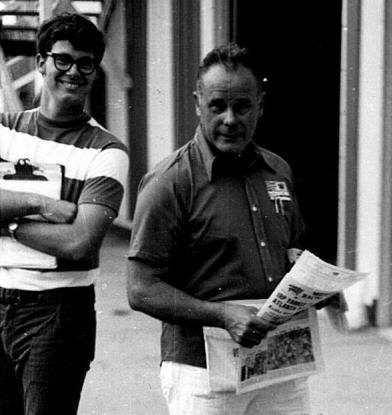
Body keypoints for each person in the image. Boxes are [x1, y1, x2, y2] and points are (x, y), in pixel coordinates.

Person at [127, 43, 312, 414]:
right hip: (203, 373)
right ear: (198, 104)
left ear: (260, 104)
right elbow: (141, 289)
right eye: (217, 106)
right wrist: (222, 315)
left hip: (280, 364)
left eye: (242, 106)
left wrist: (316, 289)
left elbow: (292, 251)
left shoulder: (279, 171)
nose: (230, 119)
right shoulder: (170, 182)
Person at [0, 13, 129, 415]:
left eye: (85, 63)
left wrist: (7, 222)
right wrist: (39, 205)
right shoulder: (5, 127)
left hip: (56, 316)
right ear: (41, 62)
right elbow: (62, 228)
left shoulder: (107, 151)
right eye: (63, 59)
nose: (73, 71)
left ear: (94, 72)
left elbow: (79, 241)